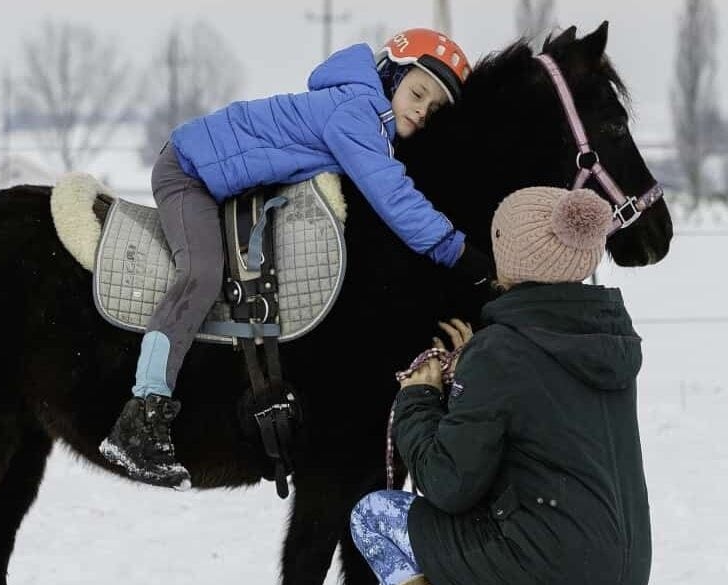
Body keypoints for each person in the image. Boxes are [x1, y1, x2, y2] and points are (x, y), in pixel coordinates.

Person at [101, 28, 496, 488]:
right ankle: (141, 414)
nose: (421, 110)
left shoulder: (365, 115)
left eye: (433, 109)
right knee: (201, 274)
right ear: (392, 76)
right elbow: (396, 200)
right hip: (188, 173)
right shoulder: (357, 114)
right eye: (417, 92)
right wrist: (466, 256)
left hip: (226, 183)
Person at [350, 187, 652, 585]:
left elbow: (448, 484)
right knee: (500, 547)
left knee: (375, 517)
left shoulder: (503, 351)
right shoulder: (608, 338)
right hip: (619, 583)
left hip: (549, 580)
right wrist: (473, 374)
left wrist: (420, 398)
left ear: (512, 255)